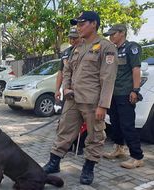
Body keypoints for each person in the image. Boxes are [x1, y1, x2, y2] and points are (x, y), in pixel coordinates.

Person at [42, 11, 118, 185]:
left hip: (92, 102)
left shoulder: (106, 47)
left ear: (94, 24)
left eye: (82, 23)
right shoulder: (78, 47)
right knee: (64, 131)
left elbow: (108, 78)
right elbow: (67, 69)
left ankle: (88, 168)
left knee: (95, 135)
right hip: (72, 99)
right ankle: (54, 163)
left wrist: (103, 105)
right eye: (77, 24)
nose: (78, 27)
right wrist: (66, 87)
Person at [103, 24, 144, 169]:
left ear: (122, 33)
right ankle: (118, 148)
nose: (110, 36)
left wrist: (135, 90)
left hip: (125, 93)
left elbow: (136, 69)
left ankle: (137, 157)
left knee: (127, 125)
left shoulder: (131, 47)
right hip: (112, 93)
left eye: (113, 34)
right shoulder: (112, 50)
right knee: (115, 123)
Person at [56, 27, 86, 155]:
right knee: (67, 120)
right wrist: (57, 89)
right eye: (70, 38)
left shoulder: (88, 50)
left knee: (83, 121)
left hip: (84, 92)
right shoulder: (66, 52)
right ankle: (67, 144)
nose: (72, 40)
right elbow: (60, 72)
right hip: (68, 92)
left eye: (75, 37)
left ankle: (80, 145)